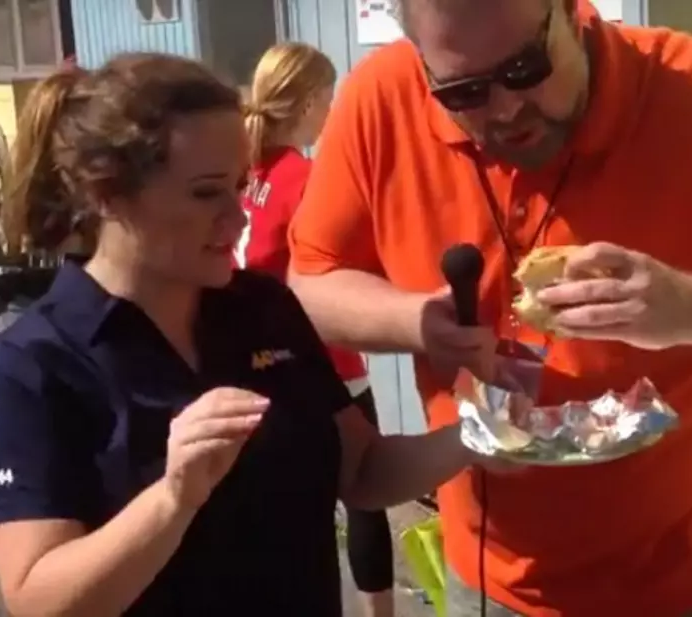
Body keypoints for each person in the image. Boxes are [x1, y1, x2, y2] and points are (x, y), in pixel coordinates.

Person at [285, 0, 692, 616]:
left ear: (572, 11)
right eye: (464, 94)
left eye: (523, 68)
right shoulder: (381, 100)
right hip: (487, 578)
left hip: (689, 585)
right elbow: (309, 284)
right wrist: (416, 322)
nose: (507, 108)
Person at [0, 53, 478, 617]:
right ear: (107, 195)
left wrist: (481, 436)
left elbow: (361, 470)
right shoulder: (32, 366)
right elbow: (40, 602)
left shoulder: (263, 308)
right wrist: (172, 497)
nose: (236, 219)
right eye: (207, 193)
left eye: (239, 187)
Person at [238, 42, 396, 617]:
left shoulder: (245, 171)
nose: (331, 111)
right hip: (323, 358)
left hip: (256, 356)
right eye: (328, 99)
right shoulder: (304, 176)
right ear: (306, 102)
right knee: (365, 495)